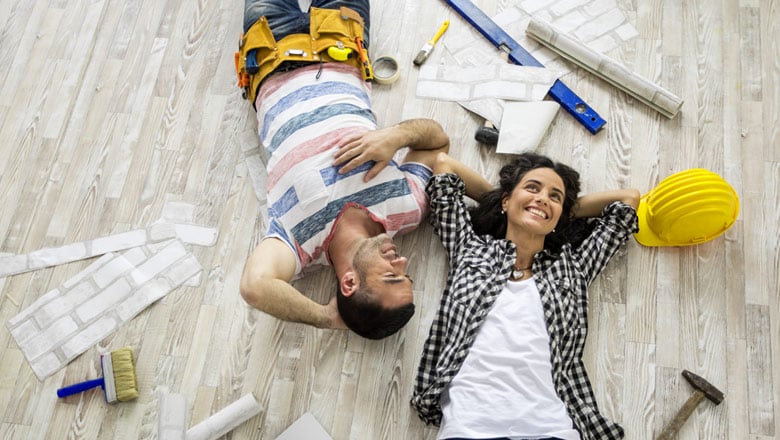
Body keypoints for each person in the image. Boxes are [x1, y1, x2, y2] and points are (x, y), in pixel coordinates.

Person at [237, 0, 450, 339]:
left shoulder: (298, 245)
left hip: (271, 49)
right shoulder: (407, 210)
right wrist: (396, 136)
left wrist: (326, 317)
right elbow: (437, 142)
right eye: (405, 275)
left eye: (392, 275)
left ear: (350, 282)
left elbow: (254, 286)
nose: (403, 263)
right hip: (340, 38)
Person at [411, 152, 640, 440]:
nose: (543, 197)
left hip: (551, 428)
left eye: (555, 196)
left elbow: (628, 199)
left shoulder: (573, 269)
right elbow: (444, 166)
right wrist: (506, 201)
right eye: (533, 187)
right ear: (506, 200)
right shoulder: (469, 250)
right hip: (469, 426)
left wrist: (558, 210)